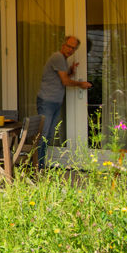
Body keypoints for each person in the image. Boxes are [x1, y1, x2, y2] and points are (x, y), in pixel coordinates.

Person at [36, 35, 92, 168]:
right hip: (47, 101)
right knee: (44, 134)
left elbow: (62, 77)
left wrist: (70, 71)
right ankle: (38, 165)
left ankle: (40, 164)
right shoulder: (58, 57)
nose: (70, 50)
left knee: (48, 134)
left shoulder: (62, 60)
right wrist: (80, 84)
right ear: (63, 45)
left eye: (73, 48)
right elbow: (65, 81)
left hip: (54, 102)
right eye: (69, 46)